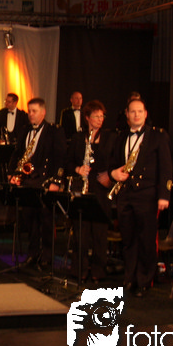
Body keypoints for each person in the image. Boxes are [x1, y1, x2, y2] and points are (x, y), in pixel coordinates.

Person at [108, 98, 172, 297]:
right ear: (127, 114)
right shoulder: (120, 136)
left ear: (145, 114)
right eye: (133, 112)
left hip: (147, 195)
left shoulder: (157, 136)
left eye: (140, 111)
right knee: (128, 239)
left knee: (146, 240)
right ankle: (130, 278)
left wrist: (164, 196)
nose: (136, 115)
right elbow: (113, 163)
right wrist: (113, 173)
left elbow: (166, 167)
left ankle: (144, 280)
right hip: (125, 195)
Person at [9, 98, 68, 268]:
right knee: (29, 219)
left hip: (45, 181)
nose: (31, 114)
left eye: (34, 111)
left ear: (43, 112)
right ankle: (33, 253)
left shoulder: (54, 131)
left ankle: (47, 255)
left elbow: (60, 158)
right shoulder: (25, 130)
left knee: (46, 220)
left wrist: (56, 181)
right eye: (29, 111)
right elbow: (17, 153)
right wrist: (13, 173)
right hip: (28, 181)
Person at [66, 100, 116, 283]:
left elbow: (115, 161)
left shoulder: (110, 137)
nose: (100, 119)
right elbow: (68, 162)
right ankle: (79, 269)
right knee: (81, 232)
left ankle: (98, 270)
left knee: (99, 233)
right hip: (82, 188)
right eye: (96, 116)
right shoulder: (78, 138)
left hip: (101, 189)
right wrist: (78, 169)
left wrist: (109, 175)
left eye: (102, 116)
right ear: (87, 118)